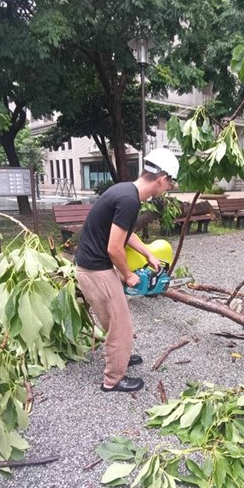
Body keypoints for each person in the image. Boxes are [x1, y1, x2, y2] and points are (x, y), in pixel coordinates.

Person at [74, 148, 180, 393]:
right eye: (168, 185)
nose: (166, 189)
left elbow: (125, 234)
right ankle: (112, 380)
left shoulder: (125, 191)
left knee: (115, 319)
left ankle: (120, 355)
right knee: (120, 325)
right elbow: (114, 248)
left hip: (92, 266)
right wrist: (128, 275)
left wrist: (148, 254)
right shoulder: (130, 200)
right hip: (95, 269)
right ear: (161, 179)